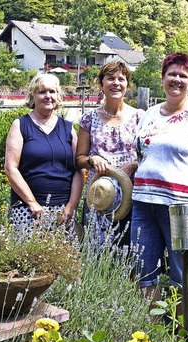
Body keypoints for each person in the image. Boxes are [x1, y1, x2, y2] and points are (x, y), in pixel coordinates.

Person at [131, 53, 188, 320]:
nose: (177, 79)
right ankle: (152, 336)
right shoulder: (149, 114)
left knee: (185, 273)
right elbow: (144, 156)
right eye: (172, 73)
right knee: (144, 272)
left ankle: (186, 340)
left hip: (185, 208)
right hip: (144, 203)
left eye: (183, 75)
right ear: (162, 78)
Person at [75, 61, 144, 249]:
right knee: (96, 255)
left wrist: (133, 165)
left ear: (127, 85)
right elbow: (79, 159)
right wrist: (92, 159)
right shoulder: (88, 119)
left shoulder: (139, 117)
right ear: (101, 85)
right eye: (110, 78)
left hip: (131, 195)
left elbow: (147, 155)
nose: (116, 83)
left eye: (121, 79)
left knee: (130, 255)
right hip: (99, 196)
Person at [4, 73, 83, 230]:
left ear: (58, 95)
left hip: (63, 211)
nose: (48, 96)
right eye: (42, 92)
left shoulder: (68, 128)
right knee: (28, 254)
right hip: (28, 210)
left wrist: (70, 207)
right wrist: (33, 203)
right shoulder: (20, 125)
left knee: (64, 254)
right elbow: (10, 168)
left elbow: (78, 169)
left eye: (52, 92)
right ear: (33, 96)